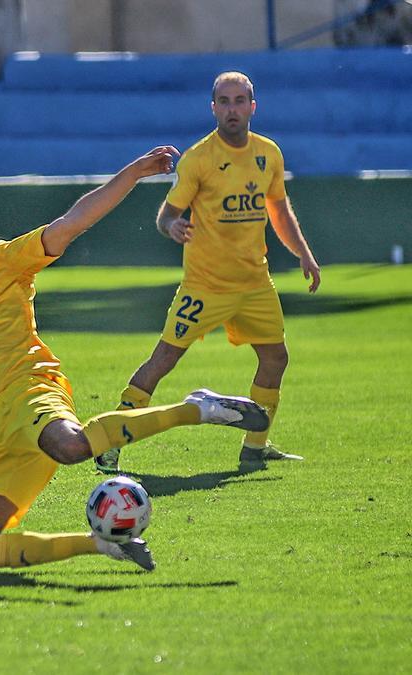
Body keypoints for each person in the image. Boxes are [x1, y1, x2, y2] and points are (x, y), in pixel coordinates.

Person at [0, 147, 271, 572]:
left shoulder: (3, 262)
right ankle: (104, 546)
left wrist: (134, 172)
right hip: (3, 431)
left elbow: (71, 223)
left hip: (30, 388)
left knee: (73, 446)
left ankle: (198, 408)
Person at [93, 72, 321, 475]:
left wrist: (303, 253)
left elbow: (279, 210)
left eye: (239, 100)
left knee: (275, 358)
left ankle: (255, 447)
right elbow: (167, 214)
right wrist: (172, 227)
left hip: (254, 282)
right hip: (205, 285)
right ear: (212, 107)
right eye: (224, 101)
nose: (231, 108)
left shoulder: (269, 153)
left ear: (253, 106)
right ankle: (110, 442)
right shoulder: (199, 158)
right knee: (163, 359)